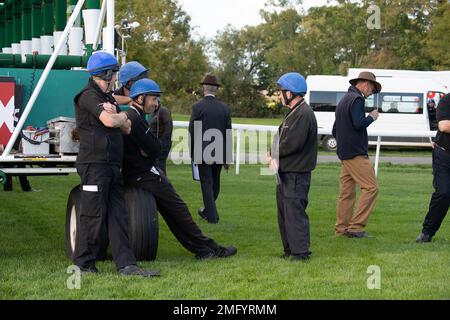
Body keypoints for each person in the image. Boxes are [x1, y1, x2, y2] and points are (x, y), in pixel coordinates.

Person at [116, 78, 237, 259]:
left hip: (141, 174)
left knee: (176, 215)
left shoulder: (135, 117)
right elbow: (156, 149)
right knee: (179, 211)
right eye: (154, 99)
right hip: (146, 176)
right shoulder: (136, 118)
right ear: (140, 98)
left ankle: (205, 249)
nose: (156, 103)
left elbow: (152, 148)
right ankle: (210, 249)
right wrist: (150, 149)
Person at [74, 51, 158, 277]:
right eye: (113, 75)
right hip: (94, 165)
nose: (114, 80)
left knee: (118, 216)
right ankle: (83, 265)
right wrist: (118, 117)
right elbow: (111, 120)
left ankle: (127, 265)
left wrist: (118, 116)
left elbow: (127, 126)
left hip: (111, 166)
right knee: (92, 215)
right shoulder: (88, 96)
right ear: (105, 74)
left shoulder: (108, 99)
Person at [267, 72, 318, 261]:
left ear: (291, 93)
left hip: (296, 174)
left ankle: (301, 253)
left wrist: (273, 153)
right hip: (286, 173)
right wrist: (271, 151)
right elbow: (282, 138)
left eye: (282, 91)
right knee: (284, 214)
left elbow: (292, 143)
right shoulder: (294, 113)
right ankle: (289, 249)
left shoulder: (303, 114)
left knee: (294, 213)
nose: (279, 95)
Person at [332, 71, 381, 238]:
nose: (371, 93)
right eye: (373, 90)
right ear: (366, 84)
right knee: (371, 188)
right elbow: (359, 123)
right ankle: (356, 228)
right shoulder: (357, 99)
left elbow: (334, 129)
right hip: (355, 153)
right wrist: (372, 117)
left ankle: (341, 229)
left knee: (346, 193)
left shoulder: (344, 100)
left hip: (344, 153)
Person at [189, 75, 232, 224]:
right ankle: (208, 211)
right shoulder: (224, 108)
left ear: (204, 88)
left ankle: (212, 217)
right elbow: (228, 133)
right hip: (219, 152)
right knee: (215, 185)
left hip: (202, 151)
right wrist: (227, 158)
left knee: (207, 184)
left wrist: (193, 153)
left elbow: (192, 131)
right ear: (216, 89)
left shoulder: (197, 107)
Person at [416, 93, 450, 243]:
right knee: (443, 193)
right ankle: (427, 232)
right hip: (444, 154)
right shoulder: (447, 100)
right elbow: (444, 125)